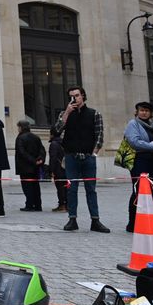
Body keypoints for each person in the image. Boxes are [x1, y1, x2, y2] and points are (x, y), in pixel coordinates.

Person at [54, 86, 110, 233]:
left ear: (83, 96)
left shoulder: (94, 114)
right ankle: (72, 219)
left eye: (77, 95)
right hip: (71, 156)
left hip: (88, 157)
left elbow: (99, 135)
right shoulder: (65, 114)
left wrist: (94, 153)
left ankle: (95, 220)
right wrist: (67, 112)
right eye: (71, 96)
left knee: (91, 189)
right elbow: (56, 130)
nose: (74, 99)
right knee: (71, 189)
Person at [124, 101, 153, 232]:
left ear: (151, 113)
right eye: (141, 110)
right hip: (139, 161)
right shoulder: (133, 124)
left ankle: (147, 223)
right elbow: (134, 142)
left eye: (147, 110)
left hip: (152, 162)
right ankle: (133, 224)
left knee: (150, 192)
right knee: (139, 191)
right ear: (137, 112)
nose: (144, 112)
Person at [15, 119, 46, 212]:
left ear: (21, 127)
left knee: (27, 186)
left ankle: (30, 204)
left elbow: (21, 152)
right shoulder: (36, 137)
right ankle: (37, 205)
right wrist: (40, 160)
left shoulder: (20, 138)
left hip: (25, 166)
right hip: (35, 166)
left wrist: (33, 161)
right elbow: (42, 150)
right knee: (35, 186)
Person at [48, 127, 68, 212]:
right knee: (66, 187)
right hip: (66, 168)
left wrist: (51, 170)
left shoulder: (54, 144)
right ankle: (67, 205)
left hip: (58, 169)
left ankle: (62, 205)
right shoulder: (64, 142)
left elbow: (53, 158)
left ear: (52, 134)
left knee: (60, 187)